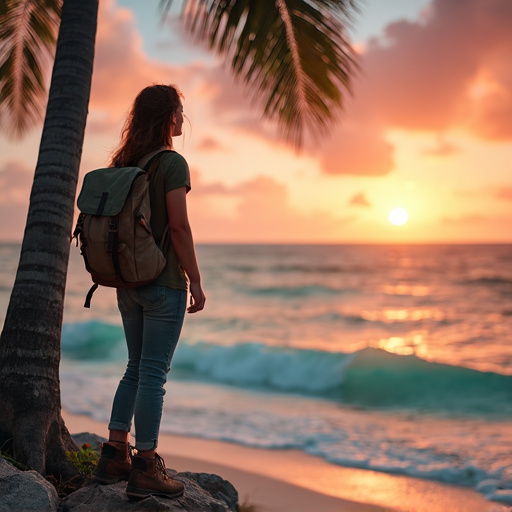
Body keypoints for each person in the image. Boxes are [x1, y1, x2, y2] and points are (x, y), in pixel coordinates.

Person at [92, 84, 206, 500]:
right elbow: (179, 227)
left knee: (135, 367)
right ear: (167, 117)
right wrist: (195, 279)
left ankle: (114, 453)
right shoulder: (172, 163)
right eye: (179, 111)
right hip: (163, 284)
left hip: (127, 283)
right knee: (154, 375)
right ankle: (146, 465)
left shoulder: (125, 161)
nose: (182, 119)